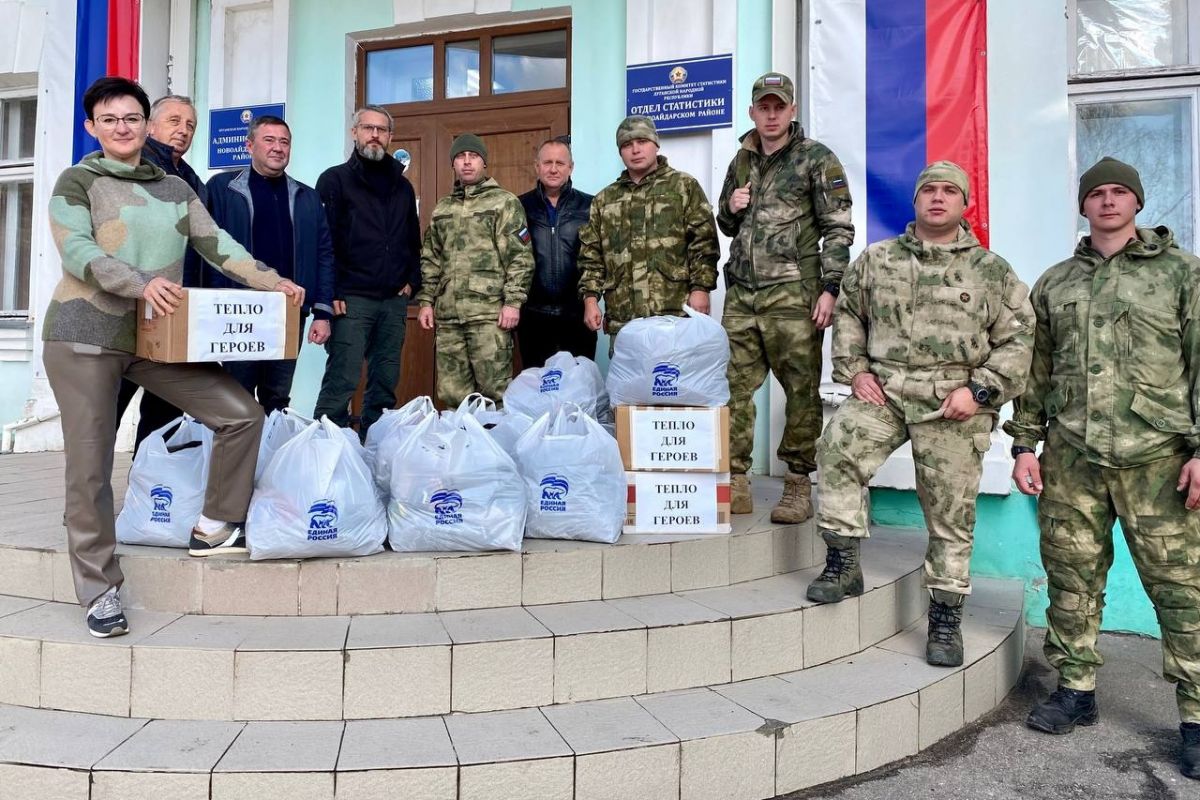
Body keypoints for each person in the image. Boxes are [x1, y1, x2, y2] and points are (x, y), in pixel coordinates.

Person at [45, 77, 303, 637]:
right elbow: (76, 248)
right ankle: (98, 589)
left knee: (240, 414)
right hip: (84, 334)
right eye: (109, 119)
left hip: (154, 337)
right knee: (90, 467)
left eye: (131, 118)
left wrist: (273, 282)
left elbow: (220, 246)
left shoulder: (174, 188)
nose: (122, 127)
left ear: (145, 126)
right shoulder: (78, 180)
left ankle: (214, 525)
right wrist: (139, 283)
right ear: (93, 127)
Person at [1006, 157, 1200, 778]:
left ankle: (1196, 716)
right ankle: (1076, 689)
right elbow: (1035, 373)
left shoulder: (1183, 275)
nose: (1109, 202)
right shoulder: (1056, 283)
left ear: (1138, 203)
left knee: (1182, 589)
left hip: (1159, 460)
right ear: (1084, 206)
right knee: (1071, 577)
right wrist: (1024, 446)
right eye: (1098, 194)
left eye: (1120, 193)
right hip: (1073, 457)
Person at [809, 161, 1034, 668]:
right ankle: (843, 562)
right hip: (885, 389)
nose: (937, 198)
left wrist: (978, 393)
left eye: (948, 191)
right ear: (915, 201)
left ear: (964, 204)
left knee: (951, 511)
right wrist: (855, 371)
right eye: (928, 190)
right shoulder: (877, 260)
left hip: (953, 401)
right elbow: (848, 314)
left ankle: (945, 616)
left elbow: (1018, 339)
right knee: (838, 449)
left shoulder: (991, 271)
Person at [717, 72, 855, 523]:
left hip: (794, 293)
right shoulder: (741, 160)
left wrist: (830, 289)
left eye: (780, 106)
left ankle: (797, 483)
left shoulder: (816, 158)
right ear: (752, 112)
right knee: (733, 388)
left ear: (792, 110)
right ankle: (736, 478)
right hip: (742, 293)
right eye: (764, 107)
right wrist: (731, 207)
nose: (771, 114)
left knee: (800, 390)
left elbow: (838, 228)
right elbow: (726, 223)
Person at [206, 115, 335, 411]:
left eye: (284, 142)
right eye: (269, 140)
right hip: (238, 310)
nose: (278, 148)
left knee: (277, 397)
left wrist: (322, 311)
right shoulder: (222, 189)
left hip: (289, 310)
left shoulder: (307, 197)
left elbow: (324, 253)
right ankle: (239, 458)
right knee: (236, 397)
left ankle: (270, 457)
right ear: (249, 145)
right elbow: (206, 247)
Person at [313, 105, 421, 438]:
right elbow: (323, 242)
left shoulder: (402, 187)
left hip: (392, 301)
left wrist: (412, 282)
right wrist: (330, 294)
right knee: (342, 379)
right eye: (367, 128)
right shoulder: (334, 180)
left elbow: (412, 238)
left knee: (386, 381)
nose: (374, 135)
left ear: (390, 137)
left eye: (381, 130)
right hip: (351, 299)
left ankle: (376, 447)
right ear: (354, 133)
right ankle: (327, 450)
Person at [113, 94, 207, 447]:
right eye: (174, 121)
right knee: (113, 404)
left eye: (190, 125)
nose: (183, 130)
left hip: (173, 310)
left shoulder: (190, 178)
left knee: (164, 409)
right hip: (130, 310)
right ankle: (91, 498)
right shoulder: (131, 166)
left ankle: (148, 486)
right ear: (150, 125)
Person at [577, 115, 719, 347]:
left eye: (641, 141)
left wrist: (701, 289)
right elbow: (591, 257)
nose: (635, 150)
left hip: (674, 315)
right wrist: (591, 300)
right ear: (620, 152)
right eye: (626, 145)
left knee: (673, 381)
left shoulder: (683, 186)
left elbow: (704, 243)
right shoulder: (605, 199)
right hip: (624, 320)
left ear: (656, 143)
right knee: (630, 383)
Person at [417, 133, 533, 407]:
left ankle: (492, 447)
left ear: (484, 163)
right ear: (453, 164)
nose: (467, 162)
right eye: (460, 157)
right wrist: (426, 301)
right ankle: (460, 446)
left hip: (489, 316)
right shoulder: (443, 208)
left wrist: (513, 303)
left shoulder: (504, 203)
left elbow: (520, 257)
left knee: (495, 393)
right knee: (453, 394)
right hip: (448, 319)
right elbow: (431, 258)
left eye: (474, 157)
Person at [517, 136, 596, 366]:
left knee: (579, 389)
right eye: (547, 162)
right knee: (538, 390)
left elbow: (599, 259)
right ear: (537, 167)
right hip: (533, 317)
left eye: (560, 163)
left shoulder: (590, 206)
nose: (553, 169)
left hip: (577, 316)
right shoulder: (518, 207)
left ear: (570, 168)